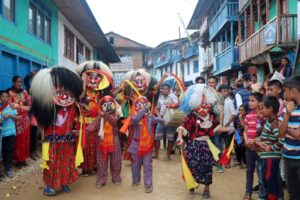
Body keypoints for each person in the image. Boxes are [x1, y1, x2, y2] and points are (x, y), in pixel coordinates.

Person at [30, 67, 83, 196]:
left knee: (67, 162)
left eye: (67, 89)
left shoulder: (73, 106)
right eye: (59, 89)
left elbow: (80, 96)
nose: (64, 93)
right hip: (51, 141)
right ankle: (50, 185)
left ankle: (64, 182)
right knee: (51, 163)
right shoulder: (46, 107)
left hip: (67, 141)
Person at [176, 84, 220, 199]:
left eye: (206, 104)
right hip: (193, 146)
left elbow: (217, 127)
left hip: (206, 146)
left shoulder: (211, 118)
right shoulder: (192, 116)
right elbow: (182, 127)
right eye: (202, 103)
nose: (204, 106)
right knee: (192, 165)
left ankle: (206, 189)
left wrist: (231, 129)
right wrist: (180, 137)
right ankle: (192, 183)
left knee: (207, 167)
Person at [75, 61, 114, 176]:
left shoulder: (100, 93)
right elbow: (81, 95)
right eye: (89, 77)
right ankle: (86, 168)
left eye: (96, 77)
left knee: (97, 145)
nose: (92, 80)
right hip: (85, 123)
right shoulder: (83, 92)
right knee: (86, 146)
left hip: (98, 123)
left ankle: (95, 166)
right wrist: (83, 81)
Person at [123, 96, 164, 193]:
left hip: (147, 146)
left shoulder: (150, 117)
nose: (142, 106)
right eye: (139, 105)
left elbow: (159, 120)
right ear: (135, 106)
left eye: (144, 104)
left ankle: (148, 185)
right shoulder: (133, 117)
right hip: (135, 146)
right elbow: (136, 119)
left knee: (147, 166)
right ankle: (136, 181)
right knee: (135, 166)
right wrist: (145, 108)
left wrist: (166, 120)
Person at [86, 96, 122, 188]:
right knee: (101, 161)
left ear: (114, 104)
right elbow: (93, 126)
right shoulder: (100, 116)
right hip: (101, 141)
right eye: (105, 105)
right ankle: (101, 179)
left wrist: (105, 115)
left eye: (110, 104)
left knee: (116, 160)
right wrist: (83, 131)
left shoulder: (117, 113)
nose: (108, 106)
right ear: (101, 106)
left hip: (114, 140)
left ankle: (116, 177)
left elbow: (114, 122)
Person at [256, 96, 284, 200]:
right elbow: (266, 138)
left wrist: (270, 148)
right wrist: (259, 142)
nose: (261, 111)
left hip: (270, 158)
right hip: (267, 158)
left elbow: (282, 140)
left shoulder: (275, 123)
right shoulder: (269, 122)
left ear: (270, 109)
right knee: (269, 181)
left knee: (270, 182)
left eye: (262, 108)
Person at [278, 76, 300, 200]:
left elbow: (298, 136)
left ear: (293, 91)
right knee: (293, 193)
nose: (284, 94)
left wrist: (285, 128)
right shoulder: (288, 110)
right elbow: (280, 133)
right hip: (288, 157)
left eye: (285, 91)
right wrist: (286, 115)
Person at [243, 92, 263, 200]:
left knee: (261, 170)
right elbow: (245, 131)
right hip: (249, 147)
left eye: (252, 101)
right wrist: (246, 140)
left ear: (260, 103)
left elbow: (262, 131)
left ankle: (262, 192)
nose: (250, 103)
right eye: (249, 100)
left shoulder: (263, 116)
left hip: (259, 147)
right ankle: (248, 192)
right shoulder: (248, 116)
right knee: (249, 170)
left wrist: (253, 141)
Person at [8, 76, 31, 167]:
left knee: (26, 139)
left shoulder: (24, 92)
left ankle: (23, 159)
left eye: (21, 82)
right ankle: (18, 160)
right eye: (18, 82)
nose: (20, 83)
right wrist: (19, 107)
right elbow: (10, 106)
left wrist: (21, 106)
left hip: (25, 119)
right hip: (16, 119)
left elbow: (29, 104)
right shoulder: (10, 93)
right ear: (14, 83)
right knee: (18, 140)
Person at [154, 84, 179, 160]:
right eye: (163, 89)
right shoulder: (160, 98)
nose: (164, 90)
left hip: (170, 120)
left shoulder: (173, 97)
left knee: (170, 138)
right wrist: (158, 116)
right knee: (157, 138)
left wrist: (172, 106)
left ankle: (168, 155)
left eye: (166, 89)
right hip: (161, 120)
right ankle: (156, 154)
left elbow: (178, 105)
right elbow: (157, 108)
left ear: (169, 90)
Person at [0, 91, 18, 178]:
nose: (4, 98)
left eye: (6, 96)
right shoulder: (0, 108)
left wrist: (10, 115)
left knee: (9, 150)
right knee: (3, 151)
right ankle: (5, 166)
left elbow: (17, 118)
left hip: (11, 132)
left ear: (8, 98)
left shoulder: (11, 106)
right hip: (2, 134)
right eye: (2, 96)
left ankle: (9, 168)